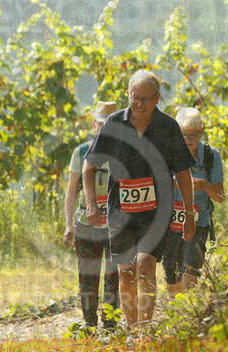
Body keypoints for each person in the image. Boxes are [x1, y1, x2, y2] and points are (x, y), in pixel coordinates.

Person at [82, 70, 196, 327]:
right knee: (126, 273)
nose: (140, 104)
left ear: (157, 98)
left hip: (157, 211)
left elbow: (182, 172)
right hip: (120, 211)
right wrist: (91, 204)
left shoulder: (168, 127)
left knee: (145, 266)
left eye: (146, 99)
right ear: (127, 95)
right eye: (135, 98)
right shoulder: (114, 123)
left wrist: (189, 214)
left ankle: (144, 329)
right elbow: (89, 166)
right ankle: (133, 329)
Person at [63, 101, 120, 329]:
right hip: (86, 223)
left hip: (115, 224)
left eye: (109, 125)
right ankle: (89, 322)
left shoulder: (124, 152)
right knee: (88, 276)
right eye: (100, 124)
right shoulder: (81, 152)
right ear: (93, 124)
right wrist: (68, 225)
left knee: (114, 275)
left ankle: (110, 323)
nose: (104, 129)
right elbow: (71, 192)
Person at [162, 107, 225, 298]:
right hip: (171, 223)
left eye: (193, 135)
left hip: (199, 222)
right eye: (183, 136)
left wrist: (205, 185)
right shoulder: (167, 153)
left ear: (201, 131)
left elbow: (220, 197)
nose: (188, 140)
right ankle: (175, 308)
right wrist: (176, 183)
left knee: (190, 267)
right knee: (171, 269)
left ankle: (189, 308)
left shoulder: (211, 156)